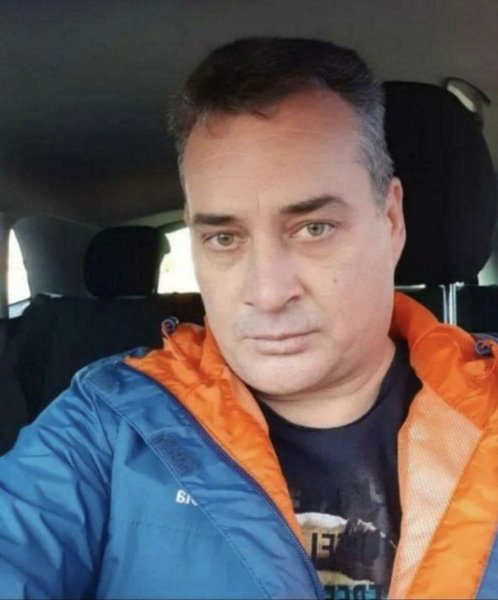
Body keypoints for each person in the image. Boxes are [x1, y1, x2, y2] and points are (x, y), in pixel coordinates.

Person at [0, 37, 496, 600]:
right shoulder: (109, 424)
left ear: (391, 221)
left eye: (313, 228)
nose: (267, 292)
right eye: (224, 237)